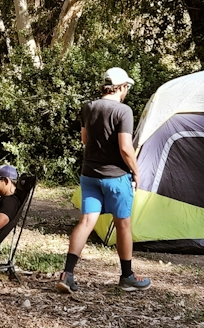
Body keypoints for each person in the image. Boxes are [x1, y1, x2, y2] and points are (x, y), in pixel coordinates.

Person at [58, 67, 151, 294]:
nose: (127, 91)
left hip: (89, 175)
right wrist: (136, 172)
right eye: (127, 87)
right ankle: (127, 276)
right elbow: (125, 148)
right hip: (116, 178)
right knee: (123, 225)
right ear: (120, 87)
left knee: (86, 222)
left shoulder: (88, 107)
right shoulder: (124, 111)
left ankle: (67, 273)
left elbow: (84, 139)